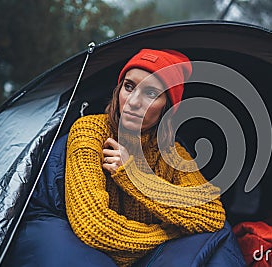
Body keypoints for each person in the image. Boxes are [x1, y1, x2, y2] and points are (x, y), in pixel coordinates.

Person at [64, 49, 226, 266]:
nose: (133, 102)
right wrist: (170, 233)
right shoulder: (90, 131)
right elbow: (93, 226)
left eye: (150, 94)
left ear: (167, 107)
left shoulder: (173, 153)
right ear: (118, 89)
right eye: (129, 87)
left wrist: (136, 178)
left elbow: (212, 214)